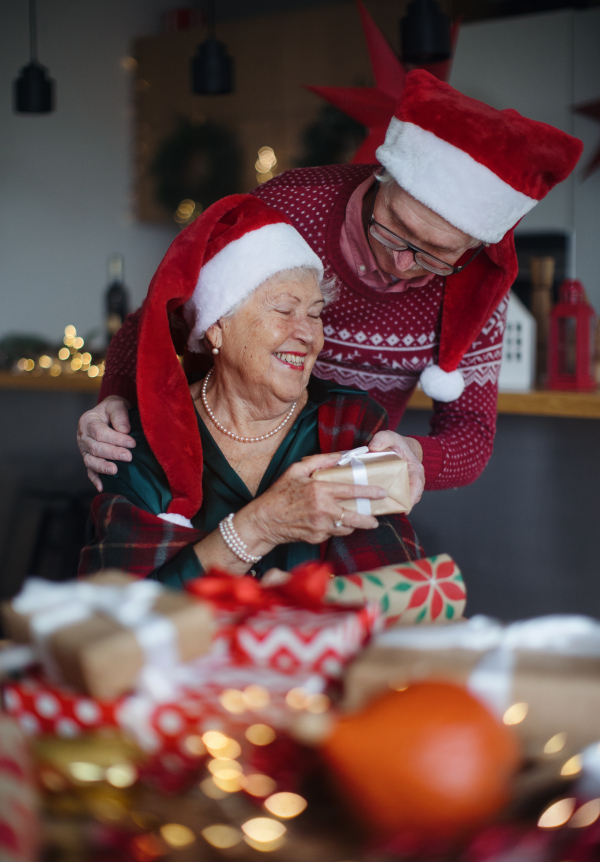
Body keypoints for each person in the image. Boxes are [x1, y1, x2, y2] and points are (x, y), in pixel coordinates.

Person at [77, 71, 582, 498]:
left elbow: (470, 434)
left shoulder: (480, 285)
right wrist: (114, 398)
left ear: (472, 248)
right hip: (210, 462)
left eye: (436, 254)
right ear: (382, 176)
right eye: (395, 229)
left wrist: (413, 454)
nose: (403, 263)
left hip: (339, 487)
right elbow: (158, 318)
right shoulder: (292, 207)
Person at [79, 195, 424, 587]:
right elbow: (115, 618)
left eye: (314, 314)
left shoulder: (351, 423)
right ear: (217, 326)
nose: (308, 334)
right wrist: (259, 527)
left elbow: (395, 590)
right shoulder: (143, 440)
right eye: (283, 310)